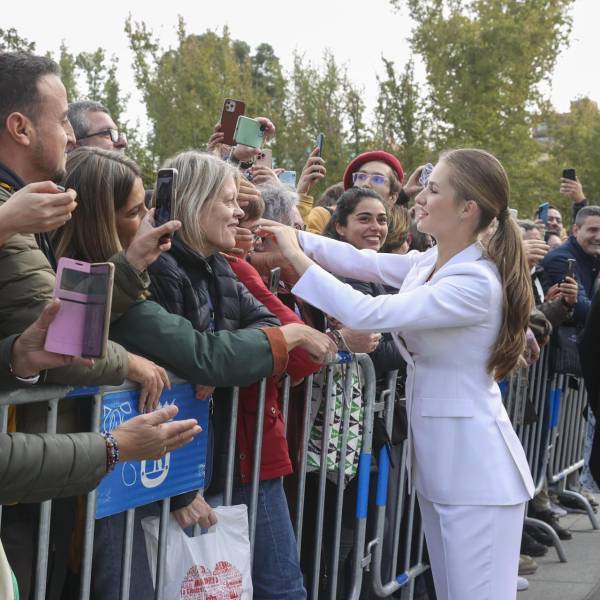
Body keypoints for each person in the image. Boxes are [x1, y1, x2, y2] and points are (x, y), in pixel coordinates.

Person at [52, 146, 334, 600]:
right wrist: (276, 340)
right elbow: (202, 354)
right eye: (137, 211)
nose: (152, 218)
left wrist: (222, 355)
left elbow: (251, 328)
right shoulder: (140, 272)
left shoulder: (212, 265)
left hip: (154, 468)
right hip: (114, 475)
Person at [260, 148, 536, 600]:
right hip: (448, 470)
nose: (419, 198)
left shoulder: (474, 281)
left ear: (467, 208)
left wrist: (292, 253)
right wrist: (295, 236)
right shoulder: (432, 261)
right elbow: (362, 262)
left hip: (476, 475)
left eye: (434, 189)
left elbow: (365, 311)